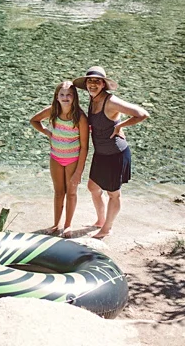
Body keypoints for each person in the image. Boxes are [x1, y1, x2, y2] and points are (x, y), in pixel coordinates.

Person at [72, 66, 149, 240]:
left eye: (97, 81)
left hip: (116, 154)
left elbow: (142, 114)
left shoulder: (111, 101)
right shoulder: (93, 99)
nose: (93, 84)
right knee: (93, 188)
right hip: (101, 154)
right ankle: (100, 220)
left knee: (113, 194)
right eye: (90, 81)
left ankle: (107, 228)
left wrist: (120, 126)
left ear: (103, 84)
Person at [30, 82, 89, 236]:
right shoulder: (53, 111)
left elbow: (84, 147)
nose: (65, 98)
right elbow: (34, 120)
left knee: (71, 193)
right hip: (55, 157)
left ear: (74, 97)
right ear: (56, 97)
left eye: (69, 94)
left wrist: (78, 172)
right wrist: (48, 133)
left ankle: (68, 225)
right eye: (62, 95)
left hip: (73, 160)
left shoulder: (80, 118)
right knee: (58, 192)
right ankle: (56, 224)